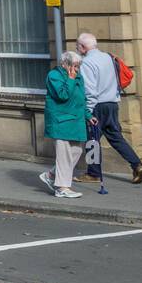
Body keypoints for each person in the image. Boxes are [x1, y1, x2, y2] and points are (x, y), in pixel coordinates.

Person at [75, 32, 142, 185]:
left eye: (78, 46)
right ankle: (137, 165)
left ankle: (93, 174)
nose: (77, 49)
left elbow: (90, 90)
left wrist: (88, 111)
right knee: (116, 138)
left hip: (97, 106)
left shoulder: (86, 62)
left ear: (83, 47)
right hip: (112, 104)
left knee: (92, 140)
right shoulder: (109, 58)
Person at [40, 50, 89, 199]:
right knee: (64, 155)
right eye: (73, 65)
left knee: (76, 151)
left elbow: (81, 99)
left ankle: (51, 175)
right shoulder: (54, 76)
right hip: (61, 121)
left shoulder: (77, 77)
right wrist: (71, 79)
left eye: (78, 66)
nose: (76, 69)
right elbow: (62, 95)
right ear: (64, 64)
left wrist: (89, 115)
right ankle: (62, 188)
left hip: (76, 120)